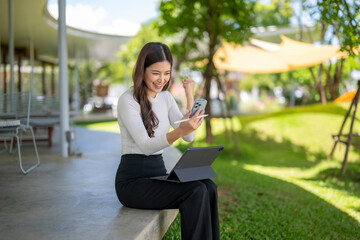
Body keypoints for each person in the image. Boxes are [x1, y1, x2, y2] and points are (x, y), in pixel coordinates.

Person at [115, 42, 220, 240]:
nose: (161, 79)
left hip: (157, 174)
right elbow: (146, 146)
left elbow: (189, 136)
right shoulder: (127, 100)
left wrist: (190, 96)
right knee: (195, 190)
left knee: (208, 186)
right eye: (155, 73)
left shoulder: (166, 98)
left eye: (166, 73)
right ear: (142, 70)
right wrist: (179, 130)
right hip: (132, 182)